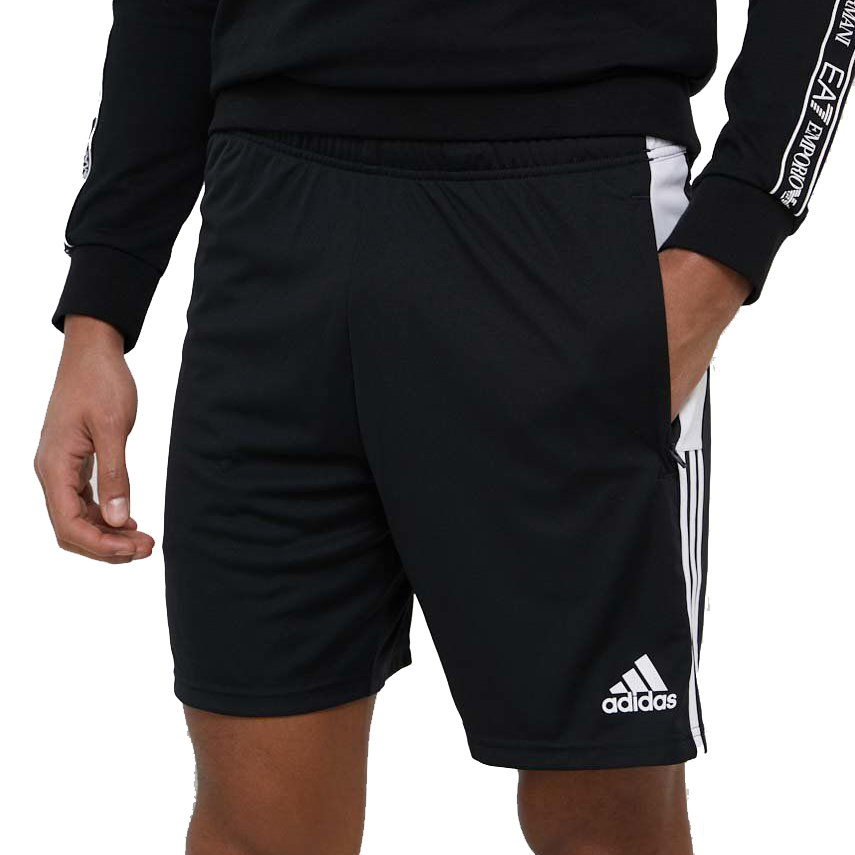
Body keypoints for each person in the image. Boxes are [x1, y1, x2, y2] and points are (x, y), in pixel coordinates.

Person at [35, 1, 853, 853]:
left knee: (605, 822)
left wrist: (730, 239)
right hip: (270, 228)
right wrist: (101, 304)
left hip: (568, 200)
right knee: (254, 826)